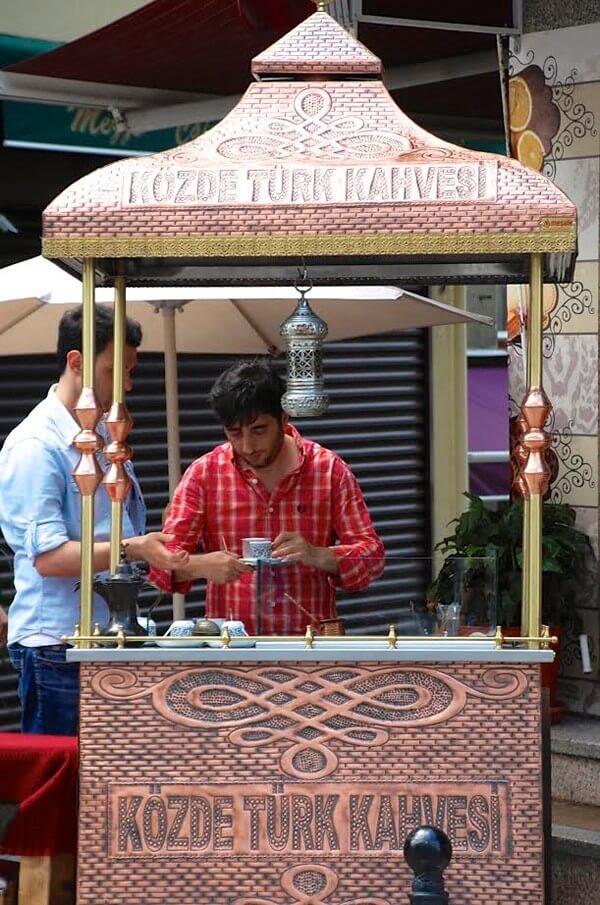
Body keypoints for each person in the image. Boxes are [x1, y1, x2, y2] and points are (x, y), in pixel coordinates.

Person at [0, 305, 188, 735]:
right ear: (76, 361)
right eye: (114, 369)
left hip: (108, 636)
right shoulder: (35, 445)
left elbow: (120, 525)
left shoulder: (104, 433)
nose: (125, 384)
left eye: (130, 370)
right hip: (58, 643)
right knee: (66, 786)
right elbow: (48, 558)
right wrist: (132, 548)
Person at [150, 359, 384, 634]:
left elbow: (372, 558)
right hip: (232, 649)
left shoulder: (328, 469)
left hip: (310, 649)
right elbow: (160, 566)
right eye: (234, 433)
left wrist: (318, 555)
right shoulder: (205, 473)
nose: (247, 446)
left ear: (283, 419)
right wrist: (199, 565)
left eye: (259, 430)